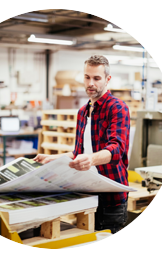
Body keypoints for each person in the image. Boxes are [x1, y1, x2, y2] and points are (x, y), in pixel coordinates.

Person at [34, 55, 130, 234]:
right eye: (87, 77)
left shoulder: (117, 108)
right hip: (86, 194)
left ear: (107, 79)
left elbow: (117, 149)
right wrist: (53, 158)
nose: (90, 83)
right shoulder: (82, 112)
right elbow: (78, 152)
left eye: (96, 78)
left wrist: (91, 160)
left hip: (110, 198)